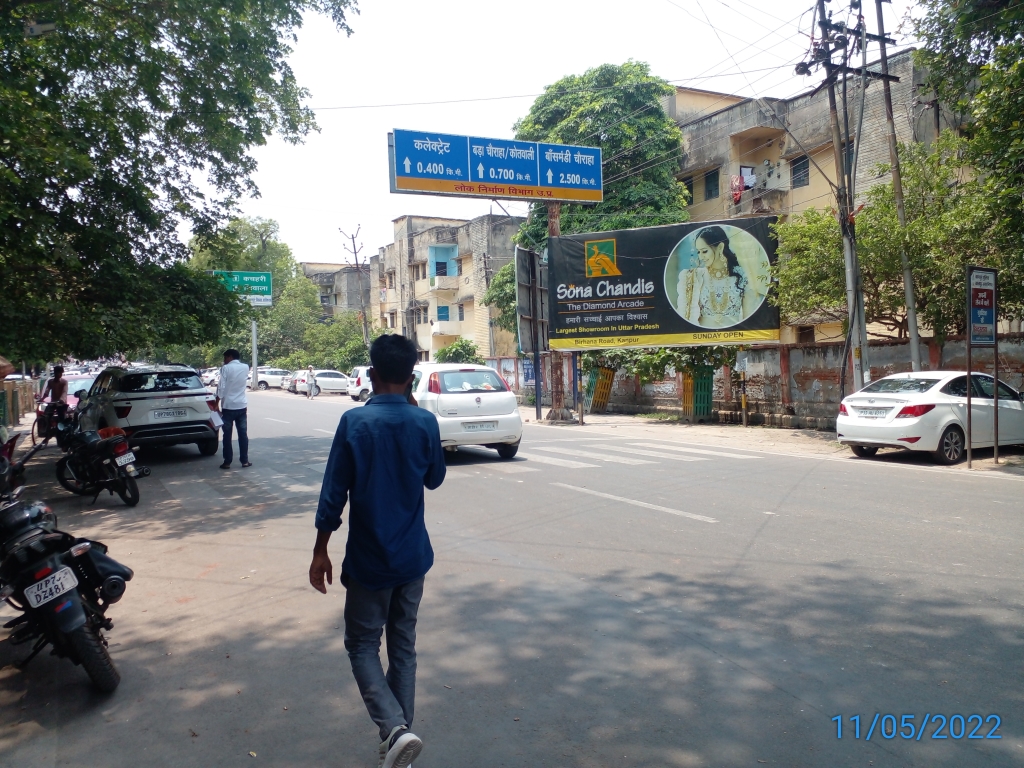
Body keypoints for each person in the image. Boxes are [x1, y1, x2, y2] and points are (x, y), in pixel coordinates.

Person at [309, 335, 445, 768]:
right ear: (411, 378)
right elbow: (434, 479)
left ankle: (395, 730)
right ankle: (400, 738)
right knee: (403, 646)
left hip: (370, 561)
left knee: (362, 644)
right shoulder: (424, 423)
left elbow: (333, 493)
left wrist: (320, 550)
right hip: (412, 558)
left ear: (371, 375)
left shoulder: (354, 422)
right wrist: (416, 416)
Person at [677, 226, 758, 328]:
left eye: (704, 251)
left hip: (734, 336)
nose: (701, 257)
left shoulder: (742, 276)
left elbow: (750, 319)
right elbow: (685, 321)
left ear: (720, 247)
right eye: (698, 252)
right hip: (702, 336)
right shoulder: (693, 277)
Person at [215, 349, 251, 469]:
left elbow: (221, 386)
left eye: (225, 358)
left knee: (227, 435)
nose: (224, 360)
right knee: (243, 434)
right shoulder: (246, 367)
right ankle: (244, 461)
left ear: (230, 357)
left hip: (228, 406)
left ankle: (227, 462)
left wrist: (216, 402)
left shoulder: (226, 368)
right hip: (241, 405)